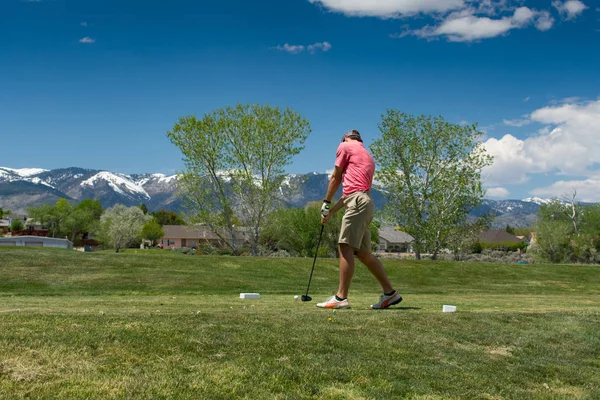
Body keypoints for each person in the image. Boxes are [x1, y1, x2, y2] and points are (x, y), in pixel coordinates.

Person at [317, 130, 402, 310]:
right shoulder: (366, 154)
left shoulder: (344, 146)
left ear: (345, 139)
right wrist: (332, 212)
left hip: (357, 203)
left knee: (345, 246)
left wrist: (326, 202)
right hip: (365, 203)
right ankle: (390, 293)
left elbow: (336, 177)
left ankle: (341, 298)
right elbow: (351, 194)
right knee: (363, 253)